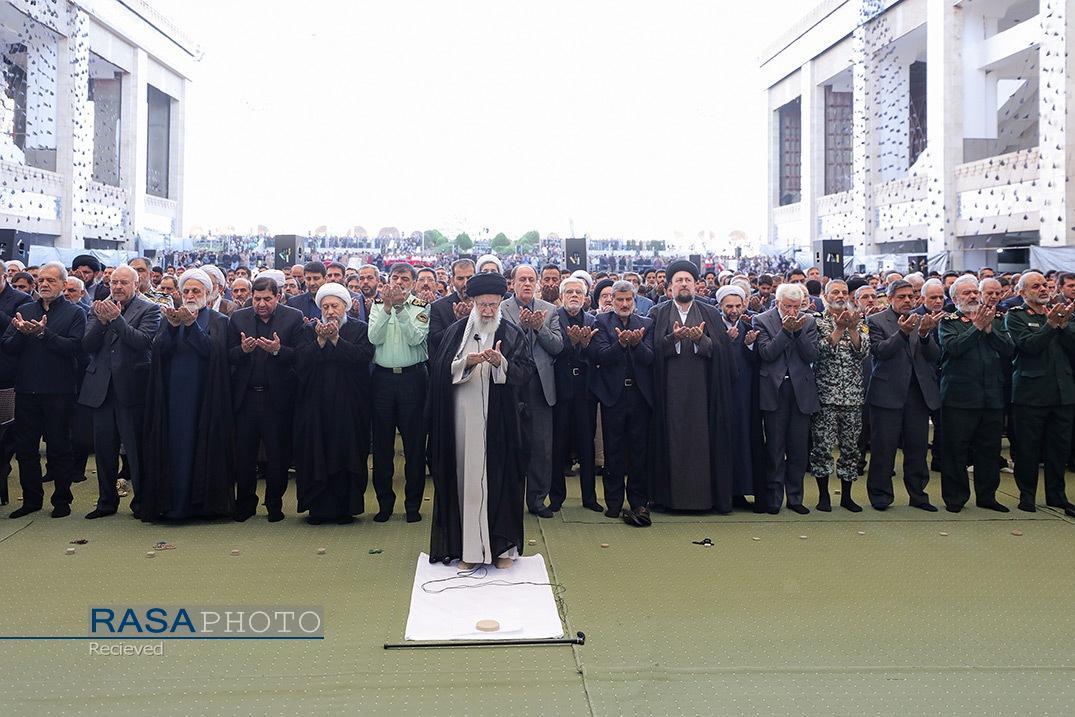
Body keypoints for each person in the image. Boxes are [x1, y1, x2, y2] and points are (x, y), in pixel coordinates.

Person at [427, 272, 535, 567]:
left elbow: (526, 374)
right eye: (483, 305)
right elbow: (438, 372)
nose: (488, 311)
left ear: (501, 302)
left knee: (501, 480)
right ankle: (469, 551)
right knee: (468, 483)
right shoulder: (457, 332)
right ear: (472, 302)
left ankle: (501, 548)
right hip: (463, 420)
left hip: (500, 423)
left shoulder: (512, 333)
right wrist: (466, 363)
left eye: (493, 305)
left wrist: (502, 363)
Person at [140, 269, 234, 521]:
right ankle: (172, 506)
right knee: (171, 447)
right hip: (171, 398)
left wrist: (191, 326)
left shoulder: (218, 320)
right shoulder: (168, 318)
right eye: (186, 291)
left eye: (196, 291)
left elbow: (213, 354)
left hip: (203, 399)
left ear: (208, 293)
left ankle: (199, 507)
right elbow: (159, 351)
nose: (191, 295)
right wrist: (172, 328)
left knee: (199, 447)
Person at [648, 260, 738, 513]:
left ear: (696, 285)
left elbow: (721, 353)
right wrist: (672, 339)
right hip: (670, 392)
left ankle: (703, 500)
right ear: (670, 287)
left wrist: (702, 340)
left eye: (688, 280)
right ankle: (670, 500)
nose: (684, 284)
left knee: (702, 443)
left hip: (703, 393)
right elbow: (651, 351)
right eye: (679, 280)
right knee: (672, 441)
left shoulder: (709, 313)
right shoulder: (659, 313)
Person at [1, 262, 85, 518]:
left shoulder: (75, 313)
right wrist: (21, 332)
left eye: (51, 280)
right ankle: (31, 500)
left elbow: (73, 348)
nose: (45, 285)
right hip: (26, 390)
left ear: (62, 284)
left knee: (59, 447)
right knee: (26, 448)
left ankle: (62, 500)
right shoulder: (25, 309)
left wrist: (42, 334)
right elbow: (8, 345)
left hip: (59, 391)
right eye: (42, 281)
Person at [78, 265, 160, 519]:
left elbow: (142, 342)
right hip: (101, 389)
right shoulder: (98, 307)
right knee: (103, 451)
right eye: (114, 282)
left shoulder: (150, 309)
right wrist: (102, 321)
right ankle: (106, 502)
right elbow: (87, 345)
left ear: (136, 285)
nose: (118, 287)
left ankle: (142, 503)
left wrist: (116, 319)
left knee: (136, 451)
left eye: (124, 282)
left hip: (132, 388)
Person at [293, 283, 375, 524]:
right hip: (315, 406)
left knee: (347, 453)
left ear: (346, 307)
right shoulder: (309, 330)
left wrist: (337, 339)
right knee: (315, 452)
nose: (330, 311)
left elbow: (362, 357)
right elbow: (299, 361)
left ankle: (345, 509)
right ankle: (318, 509)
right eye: (325, 306)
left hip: (349, 406)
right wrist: (319, 341)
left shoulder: (360, 329)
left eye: (335, 306)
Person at [228, 276, 305, 522]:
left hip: (277, 399)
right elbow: (228, 355)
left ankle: (274, 504)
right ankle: (246, 503)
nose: (261, 304)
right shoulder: (238, 318)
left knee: (278, 455)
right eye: (257, 299)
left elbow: (301, 356)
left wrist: (278, 350)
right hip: (246, 398)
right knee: (244, 455)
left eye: (267, 299)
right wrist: (243, 351)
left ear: (278, 297)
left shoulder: (292, 317)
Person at [937, 275, 1013, 513]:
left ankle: (987, 496)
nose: (972, 296)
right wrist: (976, 328)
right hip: (959, 397)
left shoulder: (997, 319)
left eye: (974, 292)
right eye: (966, 293)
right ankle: (955, 498)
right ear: (955, 298)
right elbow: (954, 348)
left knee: (989, 449)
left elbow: (1009, 350)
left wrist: (990, 330)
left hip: (991, 395)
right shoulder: (948, 321)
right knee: (955, 450)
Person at [865, 279, 942, 511]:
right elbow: (880, 352)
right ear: (889, 299)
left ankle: (918, 495)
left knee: (918, 448)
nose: (907, 300)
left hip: (917, 394)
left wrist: (926, 334)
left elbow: (934, 356)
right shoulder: (876, 321)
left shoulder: (923, 320)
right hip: (887, 393)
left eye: (911, 296)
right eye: (901, 297)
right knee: (883, 449)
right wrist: (902, 333)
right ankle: (880, 495)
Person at [1004, 272, 1075, 516]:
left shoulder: (1064, 314)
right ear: (1022, 293)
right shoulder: (1015, 317)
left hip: (1063, 392)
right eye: (1036, 286)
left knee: (1059, 448)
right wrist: (1050, 325)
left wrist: (1063, 326)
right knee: (1028, 448)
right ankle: (1027, 496)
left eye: (1045, 285)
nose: (1043, 289)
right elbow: (1028, 346)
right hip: (1030, 394)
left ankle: (1057, 495)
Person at [368, 262, 431, 522]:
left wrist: (400, 308)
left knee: (414, 446)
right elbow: (373, 337)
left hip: (412, 379)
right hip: (382, 380)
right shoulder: (376, 304)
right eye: (395, 278)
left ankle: (413, 506)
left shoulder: (421, 306)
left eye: (405, 279)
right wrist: (386, 308)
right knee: (382, 446)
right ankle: (384, 505)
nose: (399, 283)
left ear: (413, 282)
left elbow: (416, 338)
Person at [500, 264, 563, 517]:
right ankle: (509, 499)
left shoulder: (549, 310)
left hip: (539, 386)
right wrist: (520, 329)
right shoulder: (502, 309)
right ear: (512, 283)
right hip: (512, 383)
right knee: (510, 443)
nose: (527, 283)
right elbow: (501, 344)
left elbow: (558, 346)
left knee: (541, 446)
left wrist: (538, 328)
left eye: (531, 279)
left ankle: (537, 500)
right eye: (522, 279)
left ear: (537, 284)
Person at [753, 283, 819, 514]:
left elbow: (811, 354)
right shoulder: (761, 320)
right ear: (778, 302)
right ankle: (773, 499)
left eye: (797, 306)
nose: (792, 311)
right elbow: (767, 353)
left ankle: (795, 498)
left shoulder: (809, 321)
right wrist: (785, 330)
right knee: (774, 447)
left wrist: (798, 331)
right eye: (788, 306)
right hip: (774, 389)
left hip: (801, 390)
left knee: (798, 448)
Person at [592, 281, 654, 526]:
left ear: (635, 301)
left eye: (629, 300)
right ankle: (614, 502)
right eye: (620, 300)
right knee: (614, 451)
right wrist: (621, 344)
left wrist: (636, 344)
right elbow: (600, 357)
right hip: (613, 397)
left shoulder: (647, 324)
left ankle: (638, 501)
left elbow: (650, 358)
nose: (625, 304)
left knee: (639, 451)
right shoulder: (601, 323)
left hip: (640, 396)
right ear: (612, 300)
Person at [808, 279, 868, 512]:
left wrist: (852, 328)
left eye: (844, 292)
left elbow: (864, 352)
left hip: (853, 396)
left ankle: (847, 496)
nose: (841, 295)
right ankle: (823, 496)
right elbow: (818, 352)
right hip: (825, 395)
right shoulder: (816, 321)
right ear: (825, 295)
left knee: (851, 448)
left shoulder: (858, 320)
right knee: (822, 447)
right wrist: (839, 328)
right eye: (835, 292)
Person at [550, 276, 602, 513]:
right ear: (561, 296)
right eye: (569, 292)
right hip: (560, 389)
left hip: (585, 391)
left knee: (586, 444)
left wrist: (585, 344)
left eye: (578, 293)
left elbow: (597, 354)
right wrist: (572, 344)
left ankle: (589, 498)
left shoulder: (594, 320)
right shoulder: (553, 318)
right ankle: (556, 497)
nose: (573, 296)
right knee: (558, 444)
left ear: (585, 297)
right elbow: (553, 350)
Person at [716, 285, 765, 509]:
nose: (734, 310)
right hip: (721, 396)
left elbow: (757, 361)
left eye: (737, 305)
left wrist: (749, 345)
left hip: (745, 397)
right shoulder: (713, 328)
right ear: (720, 307)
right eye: (729, 306)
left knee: (745, 441)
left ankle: (742, 491)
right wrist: (724, 343)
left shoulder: (749, 327)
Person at [428, 258, 475, 354]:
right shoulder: (438, 307)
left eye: (469, 278)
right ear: (452, 281)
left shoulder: (487, 304)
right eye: (460, 278)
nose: (465, 283)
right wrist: (459, 322)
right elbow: (435, 340)